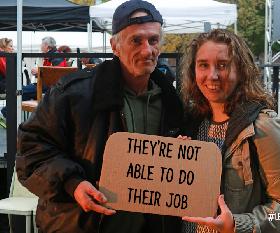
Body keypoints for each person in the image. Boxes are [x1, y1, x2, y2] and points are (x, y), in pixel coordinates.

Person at [16, 1, 183, 233]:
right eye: (136, 40)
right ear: (115, 46)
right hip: (79, 224)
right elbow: (30, 151)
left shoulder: (172, 102)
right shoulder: (74, 93)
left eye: (153, 40)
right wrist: (72, 184)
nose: (147, 50)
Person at [179, 29, 280, 233]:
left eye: (223, 65)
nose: (213, 75)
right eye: (203, 65)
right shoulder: (192, 123)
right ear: (194, 71)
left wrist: (237, 225)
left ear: (241, 70)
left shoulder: (263, 127)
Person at [23, 36, 68, 101]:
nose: (40, 46)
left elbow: (57, 75)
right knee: (23, 94)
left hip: (50, 87)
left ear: (47, 46)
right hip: (48, 86)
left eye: (41, 44)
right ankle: (8, 110)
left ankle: (7, 110)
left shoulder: (56, 57)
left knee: (21, 90)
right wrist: (38, 73)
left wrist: (39, 72)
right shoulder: (53, 56)